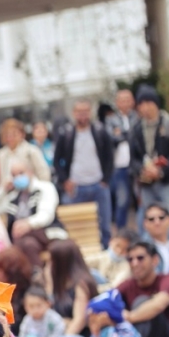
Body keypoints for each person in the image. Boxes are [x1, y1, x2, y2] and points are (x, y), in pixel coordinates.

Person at [53, 99, 115, 248]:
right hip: (76, 187)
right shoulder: (66, 134)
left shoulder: (100, 131)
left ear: (90, 112)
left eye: (86, 112)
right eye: (79, 112)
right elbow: (56, 161)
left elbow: (109, 157)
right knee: (76, 225)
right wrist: (65, 181)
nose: (83, 116)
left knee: (104, 224)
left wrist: (105, 179)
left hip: (98, 184)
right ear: (74, 113)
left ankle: (105, 252)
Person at [0, 157, 64, 267]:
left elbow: (46, 215)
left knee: (22, 243)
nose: (18, 177)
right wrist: (2, 189)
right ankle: (36, 277)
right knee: (27, 244)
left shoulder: (45, 188)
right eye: (14, 175)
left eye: (21, 173)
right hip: (25, 240)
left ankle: (33, 278)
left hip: (47, 233)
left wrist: (28, 224)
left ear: (30, 172)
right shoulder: (13, 196)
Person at [117, 241, 169, 337]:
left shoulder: (167, 280)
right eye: (130, 259)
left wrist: (130, 316)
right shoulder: (128, 284)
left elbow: (159, 304)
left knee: (142, 302)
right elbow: (105, 301)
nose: (134, 263)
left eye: (140, 258)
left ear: (155, 260)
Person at [131, 84, 169, 233]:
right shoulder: (136, 128)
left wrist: (161, 171)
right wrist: (142, 169)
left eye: (149, 103)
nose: (145, 107)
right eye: (141, 104)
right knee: (149, 221)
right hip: (146, 182)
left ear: (156, 104)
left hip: (168, 180)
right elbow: (133, 158)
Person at [108, 89, 138, 230]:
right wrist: (127, 134)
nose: (125, 102)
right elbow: (111, 138)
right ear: (117, 102)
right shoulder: (111, 120)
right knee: (122, 201)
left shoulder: (138, 117)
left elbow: (137, 137)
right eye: (122, 100)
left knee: (141, 199)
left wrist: (121, 133)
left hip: (137, 164)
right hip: (119, 166)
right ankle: (121, 232)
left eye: (128, 99)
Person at [0, 118, 51, 190]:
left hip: (31, 192)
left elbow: (44, 174)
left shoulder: (31, 151)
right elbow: (0, 179)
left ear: (22, 134)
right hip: (8, 194)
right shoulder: (1, 154)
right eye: (7, 135)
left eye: (14, 134)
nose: (10, 138)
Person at [140, 201, 169, 281]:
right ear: (145, 224)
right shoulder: (142, 249)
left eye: (161, 218)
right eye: (151, 219)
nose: (157, 222)